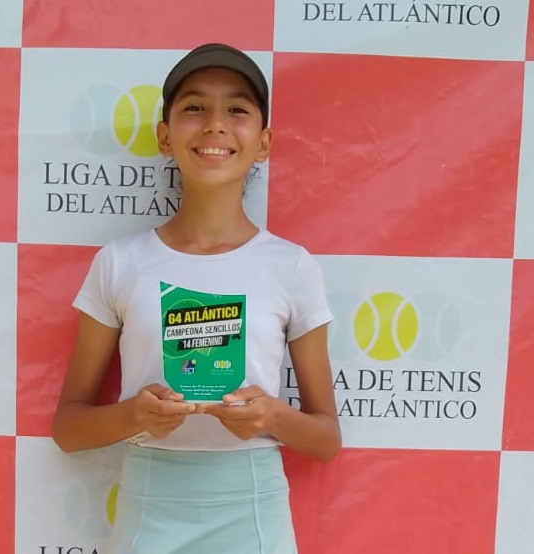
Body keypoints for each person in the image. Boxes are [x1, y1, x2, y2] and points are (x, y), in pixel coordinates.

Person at [52, 43, 341, 554]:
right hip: (150, 502)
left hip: (253, 506)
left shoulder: (293, 267)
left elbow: (326, 441)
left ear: (264, 141)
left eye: (236, 109)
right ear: (165, 136)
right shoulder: (120, 263)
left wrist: (270, 416)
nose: (214, 124)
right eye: (193, 108)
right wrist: (135, 416)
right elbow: (69, 429)